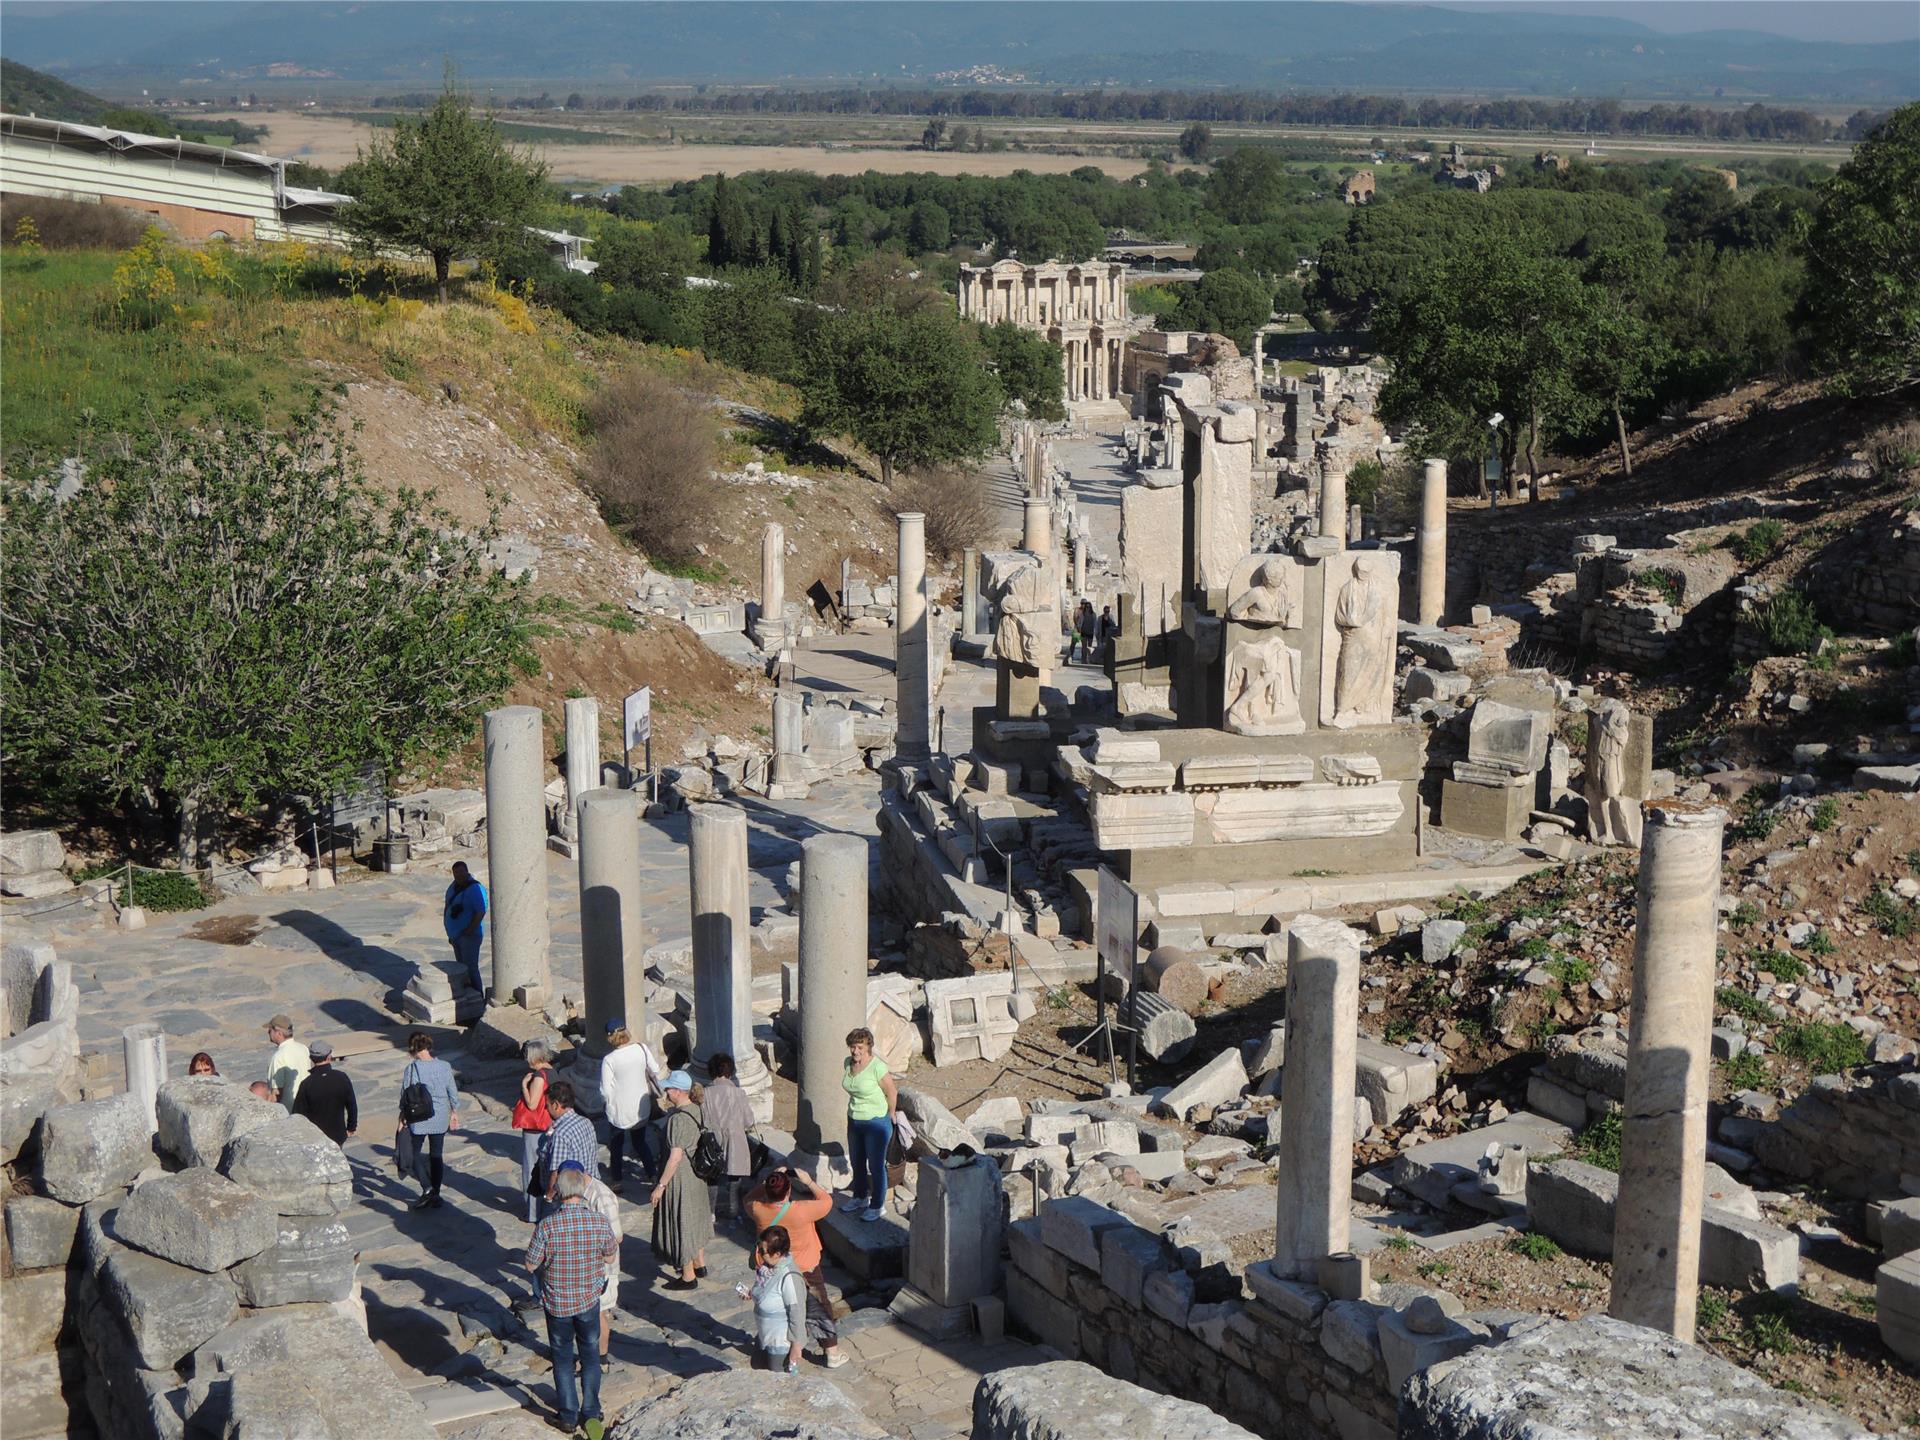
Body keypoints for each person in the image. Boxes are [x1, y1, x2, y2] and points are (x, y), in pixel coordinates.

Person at [525, 1161, 616, 1439]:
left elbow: (530, 1264)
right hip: (588, 1300)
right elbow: (610, 1256)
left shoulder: (547, 1225)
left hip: (558, 1303)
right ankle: (591, 1411)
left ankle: (567, 1415)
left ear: (560, 1191)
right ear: (581, 1191)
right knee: (590, 1356)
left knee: (562, 1358)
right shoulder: (598, 1221)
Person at [743, 1165, 845, 1368]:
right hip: (805, 1267)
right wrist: (808, 1181)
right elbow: (827, 1201)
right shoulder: (802, 1210)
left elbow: (747, 1198)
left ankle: (779, 1343)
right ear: (789, 1190)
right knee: (818, 1307)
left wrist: (767, 1183)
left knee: (782, 1307)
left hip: (773, 1268)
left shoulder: (758, 1210)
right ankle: (832, 1352)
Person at [648, 1070, 711, 1291]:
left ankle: (688, 1276)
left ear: (677, 1091)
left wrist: (660, 1186)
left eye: (668, 1089)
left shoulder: (677, 1119)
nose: (665, 1092)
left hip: (680, 1178)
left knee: (681, 1221)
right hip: (696, 1176)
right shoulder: (696, 1109)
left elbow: (675, 1157)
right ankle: (700, 1264)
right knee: (696, 1218)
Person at [598, 1021, 663, 1195]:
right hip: (641, 1106)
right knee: (640, 1143)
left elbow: (605, 1090)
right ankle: (652, 1176)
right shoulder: (641, 1048)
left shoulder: (609, 1060)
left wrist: (606, 1103)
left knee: (616, 1145)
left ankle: (617, 1181)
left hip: (619, 1109)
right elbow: (655, 1069)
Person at [841, 1028, 898, 1224]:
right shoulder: (848, 1063)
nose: (855, 1051)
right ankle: (859, 1196)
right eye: (852, 1047)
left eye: (860, 1047)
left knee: (876, 1165)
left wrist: (891, 1113)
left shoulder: (877, 1066)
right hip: (854, 1119)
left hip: (876, 1122)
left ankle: (877, 1205)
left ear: (868, 1047)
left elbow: (891, 1091)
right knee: (856, 1161)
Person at [400, 1031, 460, 1211]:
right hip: (440, 1115)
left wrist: (402, 1117)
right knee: (436, 1155)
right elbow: (452, 1091)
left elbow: (405, 1095)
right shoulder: (444, 1066)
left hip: (419, 1116)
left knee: (412, 1153)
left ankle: (427, 1188)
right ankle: (436, 1194)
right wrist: (454, 1112)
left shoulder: (412, 1069)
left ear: (413, 1048)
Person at [740, 1225, 804, 1376]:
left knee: (779, 1378)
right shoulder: (768, 1268)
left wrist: (796, 1346)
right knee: (759, 1370)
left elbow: (797, 1313)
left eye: (763, 1251)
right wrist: (752, 1294)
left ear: (777, 1254)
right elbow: (767, 1293)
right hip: (765, 1337)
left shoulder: (789, 1277)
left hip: (780, 1342)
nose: (760, 1254)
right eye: (759, 1249)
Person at [700, 1052, 756, 1224]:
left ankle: (710, 1211)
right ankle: (733, 1208)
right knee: (734, 1175)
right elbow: (749, 1121)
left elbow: (703, 1119)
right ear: (730, 1071)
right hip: (735, 1138)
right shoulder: (739, 1093)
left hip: (713, 1139)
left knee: (712, 1175)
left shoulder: (705, 1093)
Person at [578, 1163, 625, 1366]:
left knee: (598, 1314)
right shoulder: (581, 1191)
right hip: (589, 1267)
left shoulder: (601, 1196)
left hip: (603, 1268)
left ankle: (600, 1359)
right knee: (590, 1315)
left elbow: (616, 1236)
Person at [513, 1040, 555, 1224]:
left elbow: (532, 1104)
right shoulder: (554, 1072)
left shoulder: (539, 1076)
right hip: (550, 1124)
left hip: (535, 1128)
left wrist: (524, 1085)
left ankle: (532, 1213)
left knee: (531, 1169)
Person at [541, 1081, 598, 1216]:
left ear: (556, 1105)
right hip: (591, 1189)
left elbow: (556, 1173)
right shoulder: (586, 1122)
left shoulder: (561, 1134)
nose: (546, 1109)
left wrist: (548, 1197)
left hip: (570, 1197)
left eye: (547, 1105)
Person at [291, 1040, 357, 1147]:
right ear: (329, 1057)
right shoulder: (341, 1077)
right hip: (338, 1135)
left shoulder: (306, 1084)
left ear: (311, 1058)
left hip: (315, 1137)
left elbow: (298, 1114)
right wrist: (351, 1127)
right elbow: (352, 1105)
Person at [443, 861, 488, 998]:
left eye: (461, 872)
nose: (459, 875)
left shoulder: (475, 889)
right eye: (456, 873)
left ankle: (478, 996)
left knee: (471, 968)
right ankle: (467, 996)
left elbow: (481, 911)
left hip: (469, 936)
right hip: (455, 935)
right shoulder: (453, 887)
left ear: (467, 872)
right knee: (461, 968)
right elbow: (447, 905)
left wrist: (470, 929)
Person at [264, 1013, 310, 1111]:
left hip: (288, 1109)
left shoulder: (278, 1056)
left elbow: (277, 1091)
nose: (268, 1032)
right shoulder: (303, 1048)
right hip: (306, 1105)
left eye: (270, 1030)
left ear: (279, 1033)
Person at [1075, 600, 1097, 665]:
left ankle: (1088, 659)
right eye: (1087, 607)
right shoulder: (1083, 614)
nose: (1087, 608)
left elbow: (1095, 624)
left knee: (1089, 647)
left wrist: (1096, 632)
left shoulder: (1093, 614)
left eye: (1088, 607)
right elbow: (1079, 623)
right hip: (1084, 632)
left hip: (1090, 632)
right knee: (1084, 647)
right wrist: (1079, 629)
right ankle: (1084, 659)